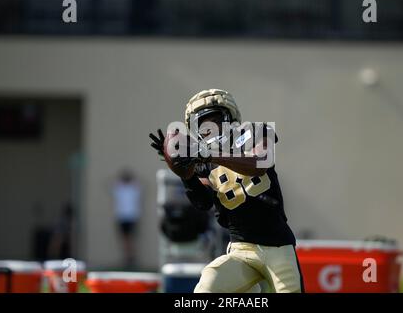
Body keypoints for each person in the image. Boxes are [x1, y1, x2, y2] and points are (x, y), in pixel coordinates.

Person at [150, 89, 304, 293]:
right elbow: (203, 202)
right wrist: (182, 171)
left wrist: (208, 155)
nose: (210, 130)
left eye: (216, 121)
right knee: (206, 288)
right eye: (203, 126)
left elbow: (260, 163)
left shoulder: (257, 132)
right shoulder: (203, 162)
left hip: (278, 248)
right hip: (240, 252)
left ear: (231, 119)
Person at [112, 168, 142, 268]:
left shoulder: (133, 188)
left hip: (132, 217)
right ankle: (128, 258)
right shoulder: (119, 188)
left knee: (131, 238)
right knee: (125, 239)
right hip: (122, 217)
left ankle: (131, 258)